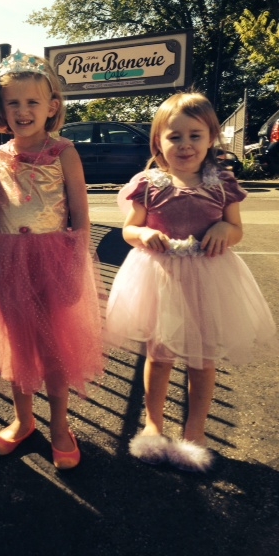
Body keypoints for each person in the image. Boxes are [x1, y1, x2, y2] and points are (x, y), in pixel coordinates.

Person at [105, 92, 278, 472]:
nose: (185, 145)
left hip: (208, 278)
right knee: (160, 355)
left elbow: (236, 229)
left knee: (202, 359)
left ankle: (196, 431)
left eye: (195, 135)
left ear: (211, 138)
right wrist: (142, 235)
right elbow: (129, 228)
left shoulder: (222, 183)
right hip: (160, 279)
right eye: (175, 136)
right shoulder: (148, 183)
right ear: (159, 142)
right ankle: (153, 424)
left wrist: (223, 228)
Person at [0, 51, 103, 469]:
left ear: (52, 107)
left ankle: (59, 426)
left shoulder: (65, 152)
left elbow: (80, 213)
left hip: (52, 261)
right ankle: (23, 420)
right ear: (0, 109)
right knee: (17, 345)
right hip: (6, 260)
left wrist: (78, 263)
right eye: (13, 103)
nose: (23, 111)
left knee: (55, 349)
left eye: (32, 102)